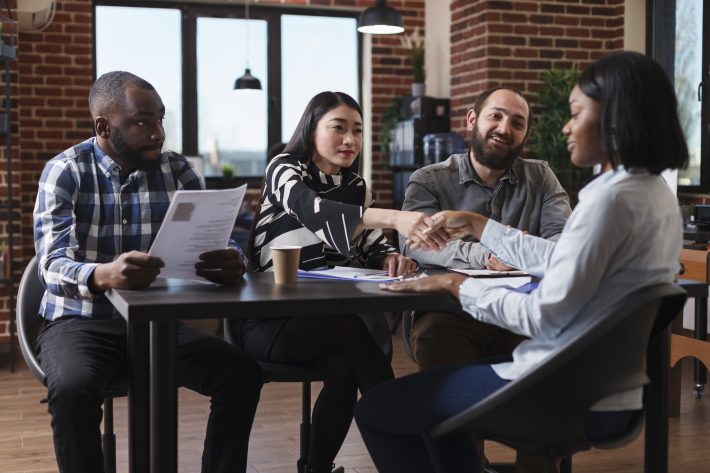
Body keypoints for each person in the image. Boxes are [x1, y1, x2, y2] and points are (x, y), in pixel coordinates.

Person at [354, 50, 688, 473]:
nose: (566, 126)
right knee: (434, 392)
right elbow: (563, 257)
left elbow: (546, 317)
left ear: (614, 118)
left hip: (555, 387)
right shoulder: (656, 195)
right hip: (612, 391)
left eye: (576, 112)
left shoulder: (609, 199)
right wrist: (480, 226)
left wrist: (455, 285)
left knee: (378, 412)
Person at [33, 71, 263, 473]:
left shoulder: (177, 170)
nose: (158, 133)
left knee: (241, 372)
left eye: (160, 119)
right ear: (103, 126)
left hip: (158, 323)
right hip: (80, 322)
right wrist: (105, 274)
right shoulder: (64, 171)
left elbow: (216, 237)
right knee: (72, 391)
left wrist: (231, 260)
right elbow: (51, 266)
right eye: (142, 122)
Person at [242, 91, 443, 473]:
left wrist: (390, 257)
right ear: (311, 129)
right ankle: (413, 456)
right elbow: (313, 210)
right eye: (338, 128)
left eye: (357, 131)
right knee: (350, 332)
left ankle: (318, 469)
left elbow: (373, 248)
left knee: (342, 367)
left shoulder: (358, 187)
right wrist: (395, 218)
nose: (350, 140)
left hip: (325, 322)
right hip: (267, 321)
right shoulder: (284, 168)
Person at [400, 87, 572, 372]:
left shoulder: (541, 177)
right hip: (451, 310)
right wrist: (488, 255)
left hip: (522, 308)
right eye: (496, 116)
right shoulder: (429, 179)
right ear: (472, 120)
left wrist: (523, 250)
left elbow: (564, 241)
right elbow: (414, 243)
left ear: (525, 135)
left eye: (517, 123)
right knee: (439, 342)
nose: (504, 128)